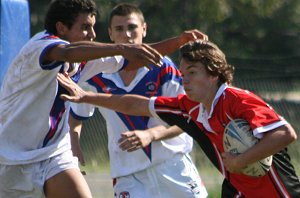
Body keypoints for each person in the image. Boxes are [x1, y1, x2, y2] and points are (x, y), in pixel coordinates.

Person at [58, 39, 300, 197]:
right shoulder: (190, 107)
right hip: (240, 190)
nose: (184, 80)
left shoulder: (236, 99)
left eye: (192, 73)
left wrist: (241, 160)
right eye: (183, 74)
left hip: (279, 192)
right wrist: (86, 97)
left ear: (214, 74)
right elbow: (135, 103)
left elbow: (285, 133)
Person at [0, 0, 184, 197]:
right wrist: (120, 48)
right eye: (85, 27)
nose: (93, 35)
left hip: (53, 154)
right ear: (61, 28)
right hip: (11, 158)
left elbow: (136, 58)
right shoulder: (39, 46)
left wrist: (180, 41)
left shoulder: (82, 59)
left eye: (93, 27)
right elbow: (66, 53)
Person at [69, 3, 208, 198]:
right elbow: (75, 119)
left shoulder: (164, 68)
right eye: (119, 29)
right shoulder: (94, 74)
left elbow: (187, 118)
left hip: (173, 167)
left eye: (132, 27)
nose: (127, 35)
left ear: (144, 29)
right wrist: (73, 148)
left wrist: (151, 135)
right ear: (110, 34)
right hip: (128, 175)